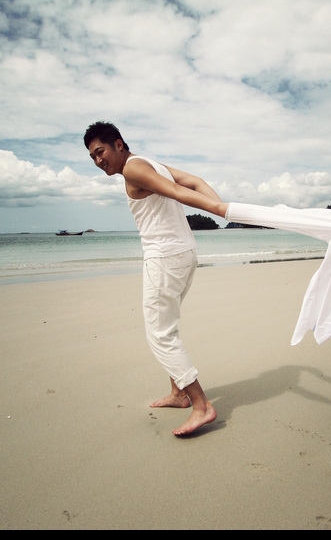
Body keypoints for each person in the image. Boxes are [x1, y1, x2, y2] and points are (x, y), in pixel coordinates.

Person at [83, 121, 228, 436]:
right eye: (93, 157)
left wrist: (220, 209)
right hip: (184, 253)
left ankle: (201, 406)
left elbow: (180, 190)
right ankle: (178, 395)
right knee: (168, 326)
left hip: (165, 258)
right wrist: (217, 204)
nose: (98, 161)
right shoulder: (151, 164)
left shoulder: (135, 169)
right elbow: (195, 180)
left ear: (119, 144)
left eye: (101, 152)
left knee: (160, 334)